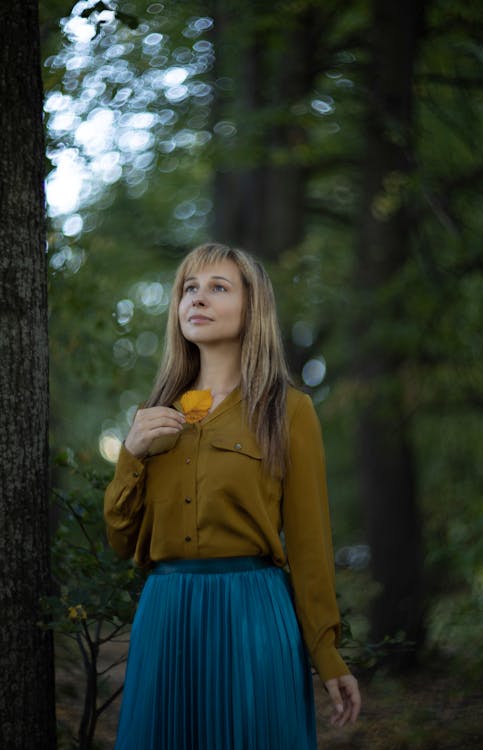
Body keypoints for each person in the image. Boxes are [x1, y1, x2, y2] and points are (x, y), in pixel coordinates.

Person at [104, 242, 361, 750]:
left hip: (252, 613)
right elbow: (120, 540)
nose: (197, 299)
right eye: (189, 289)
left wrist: (327, 654)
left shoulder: (288, 411)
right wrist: (132, 453)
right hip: (167, 615)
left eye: (218, 288)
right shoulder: (153, 416)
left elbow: (310, 547)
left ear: (252, 309)